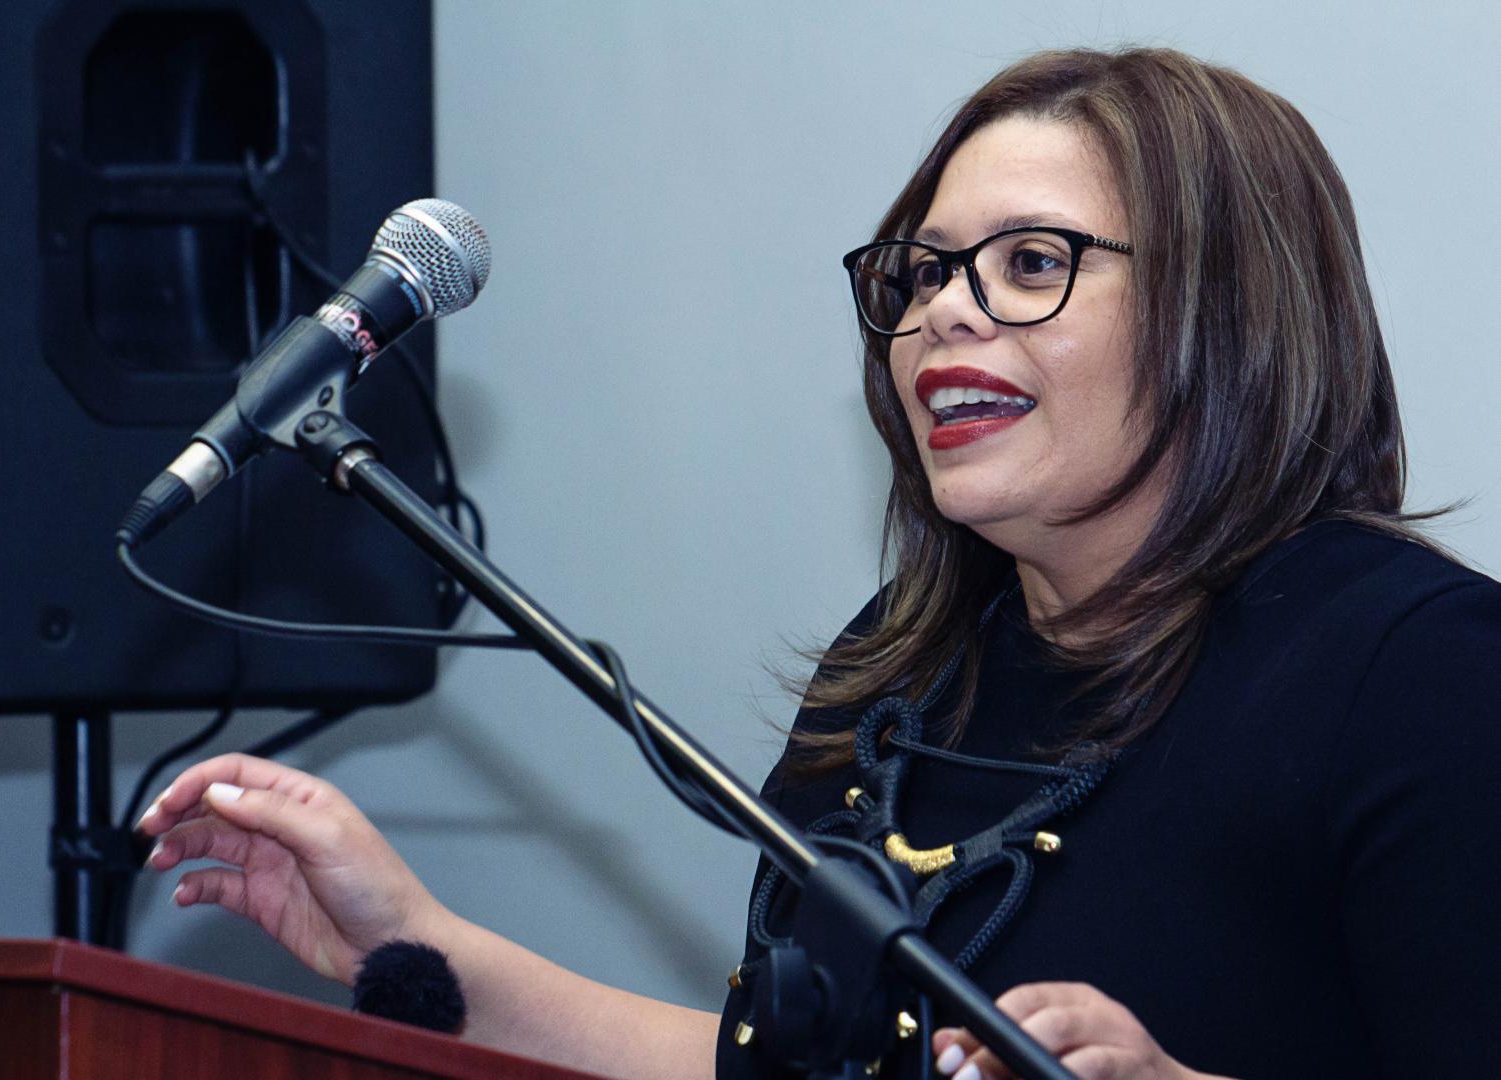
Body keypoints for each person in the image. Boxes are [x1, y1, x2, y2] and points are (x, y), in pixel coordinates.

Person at [136, 47, 1501, 1079]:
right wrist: (409, 938)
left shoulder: (1421, 669)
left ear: (1230, 309)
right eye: (923, 273)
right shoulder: (903, 673)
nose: (944, 311)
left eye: (1032, 263)